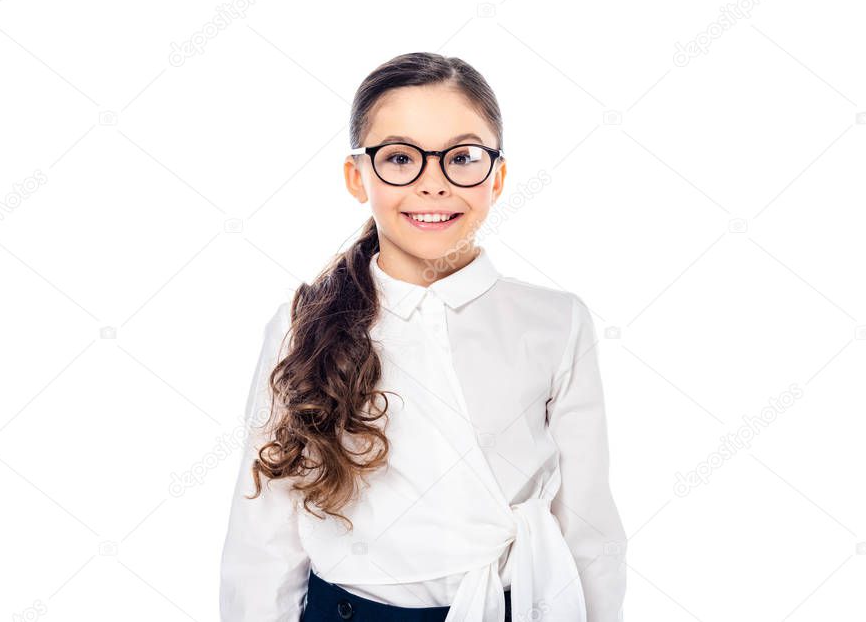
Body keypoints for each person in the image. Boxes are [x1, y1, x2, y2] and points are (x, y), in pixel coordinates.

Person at [219, 51, 627, 622]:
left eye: (461, 157)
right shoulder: (301, 325)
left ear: (498, 175)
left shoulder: (556, 322)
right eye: (400, 158)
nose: (433, 184)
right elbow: (263, 539)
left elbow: (588, 525)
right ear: (357, 176)